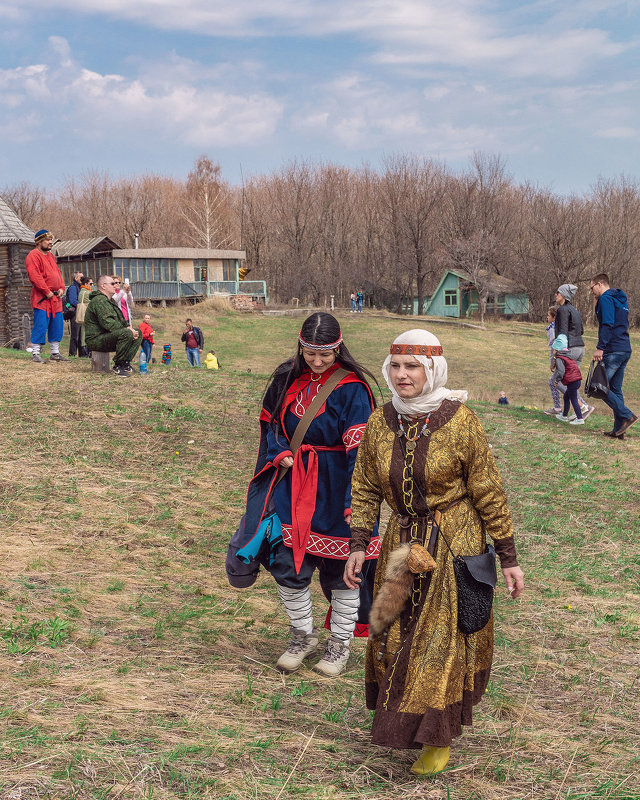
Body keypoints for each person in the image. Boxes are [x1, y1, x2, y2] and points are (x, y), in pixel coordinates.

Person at [344, 329, 524, 776]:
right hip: (401, 544)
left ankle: (436, 739)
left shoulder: (461, 421)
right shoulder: (381, 422)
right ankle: (406, 724)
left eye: (413, 366)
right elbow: (365, 486)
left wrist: (508, 556)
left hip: (452, 543)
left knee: (439, 644)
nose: (403, 375)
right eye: (396, 366)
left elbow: (488, 490)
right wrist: (358, 544)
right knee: (393, 635)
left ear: (433, 370)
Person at [238, 313, 379, 677]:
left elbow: (361, 453)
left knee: (343, 569)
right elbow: (271, 424)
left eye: (326, 355)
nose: (317, 361)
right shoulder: (287, 376)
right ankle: (303, 635)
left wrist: (356, 503)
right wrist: (278, 450)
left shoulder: (352, 389)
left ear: (338, 349)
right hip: (292, 483)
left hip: (335, 488)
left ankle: (340, 645)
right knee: (286, 562)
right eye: (310, 353)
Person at [590, 273, 637, 437]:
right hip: (625, 349)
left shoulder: (606, 298)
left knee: (599, 387)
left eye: (592, 287)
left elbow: (607, 323)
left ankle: (627, 415)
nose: (591, 291)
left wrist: (600, 347)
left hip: (613, 349)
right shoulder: (619, 299)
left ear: (600, 284)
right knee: (615, 390)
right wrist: (597, 307)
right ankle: (619, 430)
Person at [25, 229, 70, 363]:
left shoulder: (50, 256)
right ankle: (36, 353)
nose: (51, 242)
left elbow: (57, 273)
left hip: (55, 298)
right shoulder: (33, 256)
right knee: (41, 325)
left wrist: (62, 288)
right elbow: (35, 276)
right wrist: (46, 291)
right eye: (47, 240)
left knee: (57, 325)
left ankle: (55, 353)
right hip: (42, 298)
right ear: (39, 242)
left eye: (51, 240)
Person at [84, 275, 140, 377]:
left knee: (138, 332)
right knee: (126, 333)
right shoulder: (99, 300)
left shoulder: (110, 301)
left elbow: (121, 319)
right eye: (112, 283)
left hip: (107, 336)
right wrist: (127, 330)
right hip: (95, 339)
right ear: (103, 286)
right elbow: (108, 322)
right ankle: (118, 366)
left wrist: (130, 328)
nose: (115, 285)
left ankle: (125, 363)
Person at [553, 284, 593, 420]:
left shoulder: (562, 310)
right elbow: (581, 330)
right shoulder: (575, 310)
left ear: (563, 295)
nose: (556, 295)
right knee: (572, 382)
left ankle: (582, 407)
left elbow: (563, 332)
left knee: (556, 381)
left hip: (569, 349)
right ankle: (576, 412)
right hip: (580, 348)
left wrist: (556, 352)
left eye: (558, 292)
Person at [550, 334, 584, 425]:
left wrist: (556, 381)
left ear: (557, 349)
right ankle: (564, 416)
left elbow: (561, 372)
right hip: (577, 380)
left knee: (573, 399)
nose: (552, 350)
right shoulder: (569, 355)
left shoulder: (559, 358)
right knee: (566, 396)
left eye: (553, 348)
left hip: (572, 382)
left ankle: (580, 419)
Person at [67, 270, 84, 357]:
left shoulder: (80, 287)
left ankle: (81, 354)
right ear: (75, 278)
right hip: (75, 313)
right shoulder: (73, 287)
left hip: (79, 312)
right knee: (75, 335)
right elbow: (73, 301)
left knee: (81, 335)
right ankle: (72, 354)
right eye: (81, 277)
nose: (83, 279)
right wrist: (82, 305)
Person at [76, 276, 93, 358]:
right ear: (86, 284)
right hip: (88, 316)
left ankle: (84, 351)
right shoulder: (88, 293)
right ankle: (87, 352)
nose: (92, 285)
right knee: (88, 333)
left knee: (83, 332)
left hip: (82, 315)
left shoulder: (81, 292)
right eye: (91, 283)